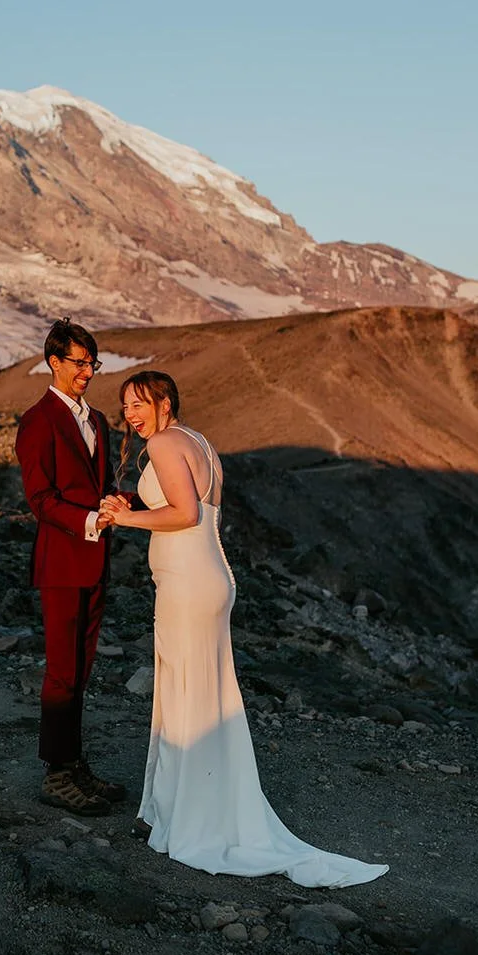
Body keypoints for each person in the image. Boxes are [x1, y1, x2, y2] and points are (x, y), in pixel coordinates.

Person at [99, 370, 388, 888]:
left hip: (190, 582)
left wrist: (122, 520)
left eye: (140, 403)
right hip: (209, 575)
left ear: (165, 402)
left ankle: (191, 823)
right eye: (126, 406)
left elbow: (185, 514)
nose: (131, 415)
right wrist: (137, 509)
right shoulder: (198, 442)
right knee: (204, 699)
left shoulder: (164, 442)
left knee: (188, 701)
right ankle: (192, 812)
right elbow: (189, 508)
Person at [14, 318, 125, 816]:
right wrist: (88, 520)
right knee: (61, 671)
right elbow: (40, 498)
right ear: (54, 362)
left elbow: (99, 484)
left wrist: (117, 505)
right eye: (79, 362)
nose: (87, 371)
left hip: (96, 557)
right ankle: (57, 775)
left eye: (92, 363)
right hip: (61, 560)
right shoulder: (37, 421)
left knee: (82, 669)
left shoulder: (98, 420)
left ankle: (73, 762)